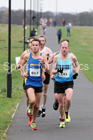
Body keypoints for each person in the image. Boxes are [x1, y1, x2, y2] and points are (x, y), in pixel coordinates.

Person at [20, 38, 51, 130]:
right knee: (32, 101)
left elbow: (47, 67)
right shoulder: (27, 56)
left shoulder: (43, 56)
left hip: (39, 83)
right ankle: (29, 107)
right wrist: (23, 73)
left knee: (37, 105)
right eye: (33, 45)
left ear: (39, 46)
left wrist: (47, 68)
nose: (35, 47)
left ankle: (33, 121)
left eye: (36, 45)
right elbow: (22, 64)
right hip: (29, 81)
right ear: (31, 46)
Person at [52, 40, 79, 128]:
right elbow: (53, 70)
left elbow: (77, 65)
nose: (64, 49)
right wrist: (57, 71)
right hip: (59, 82)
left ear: (68, 48)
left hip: (69, 82)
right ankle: (62, 119)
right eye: (62, 48)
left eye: (65, 48)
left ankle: (67, 112)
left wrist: (76, 73)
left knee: (68, 99)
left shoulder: (72, 57)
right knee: (61, 104)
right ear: (60, 48)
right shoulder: (56, 57)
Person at [16, 37, 35, 126]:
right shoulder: (25, 53)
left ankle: (33, 116)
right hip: (27, 78)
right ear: (29, 44)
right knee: (29, 98)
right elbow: (20, 63)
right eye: (31, 43)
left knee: (36, 100)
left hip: (37, 79)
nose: (32, 45)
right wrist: (21, 71)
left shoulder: (39, 54)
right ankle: (30, 111)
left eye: (34, 43)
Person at [37, 35, 53, 117]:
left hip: (46, 71)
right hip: (37, 71)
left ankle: (43, 106)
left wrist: (46, 59)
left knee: (45, 92)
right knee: (39, 90)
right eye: (40, 41)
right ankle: (39, 108)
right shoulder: (35, 50)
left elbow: (52, 58)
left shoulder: (48, 50)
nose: (41, 43)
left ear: (45, 42)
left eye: (43, 41)